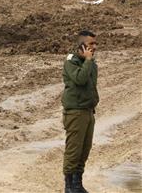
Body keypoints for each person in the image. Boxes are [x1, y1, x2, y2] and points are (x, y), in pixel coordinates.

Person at [62, 30, 99, 193]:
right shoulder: (72, 61)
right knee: (74, 150)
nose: (94, 47)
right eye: (91, 44)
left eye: (95, 44)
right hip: (75, 112)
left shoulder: (90, 62)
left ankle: (77, 184)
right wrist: (88, 61)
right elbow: (80, 79)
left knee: (84, 149)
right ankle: (69, 186)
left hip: (87, 111)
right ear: (81, 46)